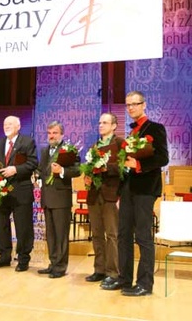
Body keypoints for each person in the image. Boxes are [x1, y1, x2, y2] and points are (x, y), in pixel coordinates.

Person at [101, 91, 169, 296]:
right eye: (128, 105)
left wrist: (138, 164)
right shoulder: (131, 133)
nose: (131, 108)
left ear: (144, 105)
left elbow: (163, 158)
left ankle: (145, 284)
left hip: (146, 189)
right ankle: (124, 279)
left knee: (143, 237)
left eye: (135, 104)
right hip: (129, 188)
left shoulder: (155, 128)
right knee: (123, 235)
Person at [0, 115, 38, 272]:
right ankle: (4, 256)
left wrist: (15, 169)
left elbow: (33, 162)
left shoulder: (27, 142)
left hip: (21, 190)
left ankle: (23, 258)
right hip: (2, 192)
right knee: (1, 225)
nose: (6, 126)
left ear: (18, 126)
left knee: (23, 226)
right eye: (4, 124)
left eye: (10, 124)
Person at [37, 121, 80, 278]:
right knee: (51, 234)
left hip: (61, 197)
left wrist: (62, 170)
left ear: (61, 134)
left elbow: (77, 170)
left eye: (54, 133)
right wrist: (37, 176)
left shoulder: (69, 150)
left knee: (61, 234)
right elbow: (41, 169)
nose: (51, 136)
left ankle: (60, 267)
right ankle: (53, 263)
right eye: (49, 133)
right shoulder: (44, 150)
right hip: (47, 197)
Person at [84, 113, 123, 285]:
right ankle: (99, 269)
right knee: (97, 234)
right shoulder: (94, 146)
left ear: (114, 126)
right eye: (99, 122)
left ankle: (113, 272)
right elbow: (89, 168)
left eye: (105, 122)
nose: (101, 125)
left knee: (112, 235)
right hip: (94, 194)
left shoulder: (120, 144)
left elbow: (124, 168)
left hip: (111, 195)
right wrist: (88, 175)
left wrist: (106, 168)